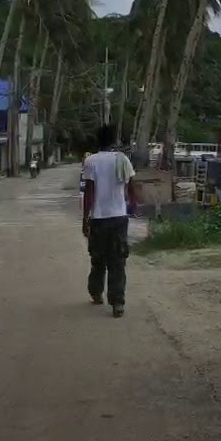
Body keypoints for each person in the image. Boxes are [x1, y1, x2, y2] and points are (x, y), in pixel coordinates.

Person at [80, 124, 138, 317]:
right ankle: (118, 303)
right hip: (119, 217)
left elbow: (89, 192)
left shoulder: (90, 161)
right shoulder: (123, 159)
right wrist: (131, 205)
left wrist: (85, 218)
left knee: (98, 259)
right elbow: (131, 188)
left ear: (97, 140)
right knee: (118, 261)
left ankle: (96, 293)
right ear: (114, 141)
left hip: (98, 218)